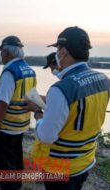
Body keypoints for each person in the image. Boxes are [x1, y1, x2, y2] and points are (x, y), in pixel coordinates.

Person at [26, 26, 110, 190]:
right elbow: (81, 109)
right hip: (85, 160)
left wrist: (37, 112)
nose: (56, 54)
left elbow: (46, 136)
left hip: (61, 168)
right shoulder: (103, 79)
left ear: (63, 52)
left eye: (57, 49)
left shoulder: (61, 89)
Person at [0, 35, 36, 190]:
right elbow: (32, 95)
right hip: (19, 124)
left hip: (5, 127)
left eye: (1, 51)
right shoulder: (29, 70)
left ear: (6, 52)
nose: (0, 55)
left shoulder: (9, 72)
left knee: (4, 165)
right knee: (15, 159)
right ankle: (16, 186)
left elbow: (3, 101)